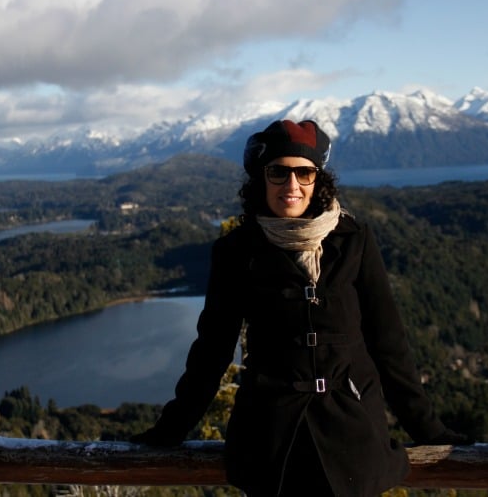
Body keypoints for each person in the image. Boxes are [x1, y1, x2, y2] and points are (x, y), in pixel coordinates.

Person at [131, 119, 468, 496]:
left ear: (317, 180)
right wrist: (171, 429)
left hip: (352, 436)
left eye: (304, 173)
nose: (292, 185)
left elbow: (388, 343)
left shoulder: (354, 241)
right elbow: (212, 350)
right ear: (262, 179)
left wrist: (429, 430)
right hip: (271, 442)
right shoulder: (237, 251)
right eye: (279, 172)